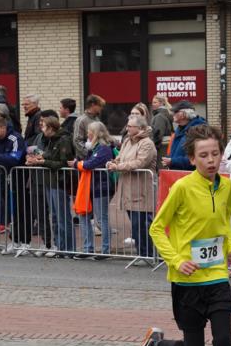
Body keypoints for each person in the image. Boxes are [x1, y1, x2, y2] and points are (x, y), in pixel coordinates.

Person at [137, 123, 231, 346]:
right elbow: (157, 228)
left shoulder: (226, 187)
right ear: (193, 159)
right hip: (187, 284)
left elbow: (224, 223)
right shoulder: (182, 188)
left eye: (215, 153)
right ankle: (155, 345)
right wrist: (176, 259)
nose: (211, 160)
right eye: (204, 155)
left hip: (217, 278)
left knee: (224, 341)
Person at [107, 114, 157, 263]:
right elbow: (121, 157)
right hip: (128, 188)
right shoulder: (128, 140)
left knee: (141, 224)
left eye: (130, 126)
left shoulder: (147, 143)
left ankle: (148, 254)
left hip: (141, 188)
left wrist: (118, 167)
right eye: (128, 126)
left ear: (140, 128)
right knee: (135, 225)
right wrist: (113, 162)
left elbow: (139, 162)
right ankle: (141, 253)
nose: (127, 128)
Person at [27, 114, 75, 256]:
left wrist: (42, 162)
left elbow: (63, 163)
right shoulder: (50, 140)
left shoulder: (63, 140)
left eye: (44, 126)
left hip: (59, 182)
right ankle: (59, 246)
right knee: (54, 216)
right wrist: (37, 158)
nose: (42, 128)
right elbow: (48, 154)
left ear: (51, 128)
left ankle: (68, 248)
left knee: (62, 217)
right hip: (50, 181)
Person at [70, 119, 114, 257]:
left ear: (96, 133)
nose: (87, 134)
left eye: (89, 131)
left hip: (100, 187)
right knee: (84, 216)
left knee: (101, 219)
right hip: (90, 187)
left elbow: (90, 164)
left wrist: (77, 163)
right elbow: (88, 163)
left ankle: (105, 250)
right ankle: (87, 248)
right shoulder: (93, 148)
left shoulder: (104, 148)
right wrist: (81, 163)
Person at [163, 102, 206, 171]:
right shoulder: (180, 129)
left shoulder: (198, 130)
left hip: (191, 175)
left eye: (175, 112)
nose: (172, 114)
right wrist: (169, 160)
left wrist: (173, 161)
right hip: (178, 173)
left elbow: (196, 158)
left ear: (183, 115)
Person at [73, 94, 105, 159]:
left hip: (96, 157)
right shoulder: (81, 120)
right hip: (84, 159)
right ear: (93, 104)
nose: (101, 108)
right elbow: (77, 141)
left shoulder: (97, 119)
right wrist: (89, 154)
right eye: (100, 105)